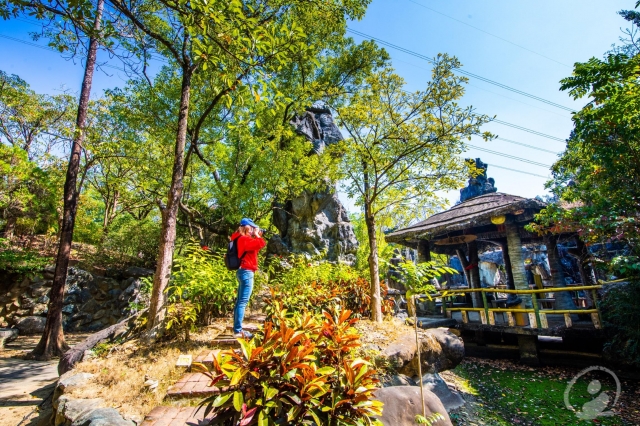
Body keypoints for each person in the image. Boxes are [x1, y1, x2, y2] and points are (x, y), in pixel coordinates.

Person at [229, 218, 266, 339]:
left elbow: (254, 248)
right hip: (246, 272)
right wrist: (257, 235)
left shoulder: (238, 238)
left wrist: (256, 235)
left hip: (242, 271)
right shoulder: (244, 239)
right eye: (252, 228)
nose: (253, 230)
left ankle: (237, 329)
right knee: (242, 302)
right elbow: (261, 244)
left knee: (240, 302)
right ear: (246, 227)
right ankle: (238, 331)